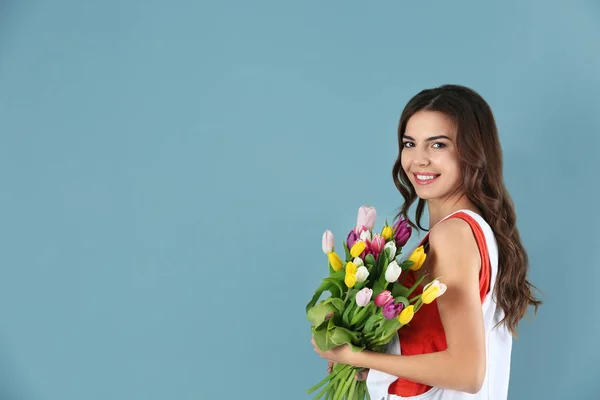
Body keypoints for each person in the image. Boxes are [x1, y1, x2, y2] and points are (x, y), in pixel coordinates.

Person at [311, 84, 541, 399]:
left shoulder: (454, 235)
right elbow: (435, 347)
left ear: (473, 152)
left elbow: (467, 372)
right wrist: (373, 364)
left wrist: (353, 356)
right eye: (410, 143)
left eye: (437, 145)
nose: (418, 160)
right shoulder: (471, 230)